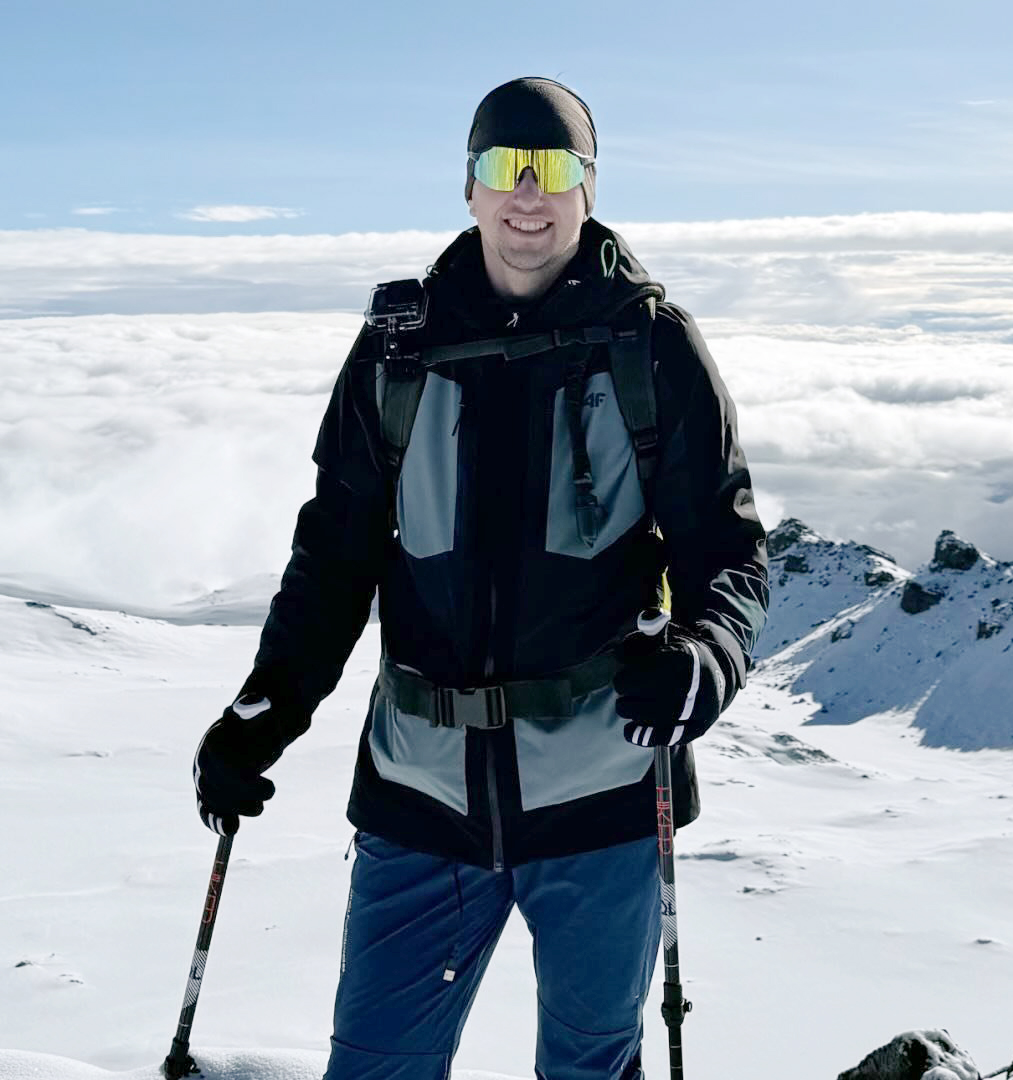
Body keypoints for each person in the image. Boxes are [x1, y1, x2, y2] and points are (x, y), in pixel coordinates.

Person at [193, 76, 769, 1080]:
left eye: (554, 167)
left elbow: (728, 551)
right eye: (506, 166)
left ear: (590, 186)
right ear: (469, 185)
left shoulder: (648, 344)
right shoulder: (399, 349)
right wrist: (266, 709)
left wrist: (705, 659)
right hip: (421, 798)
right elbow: (335, 555)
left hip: (603, 798)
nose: (528, 194)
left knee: (590, 1070)